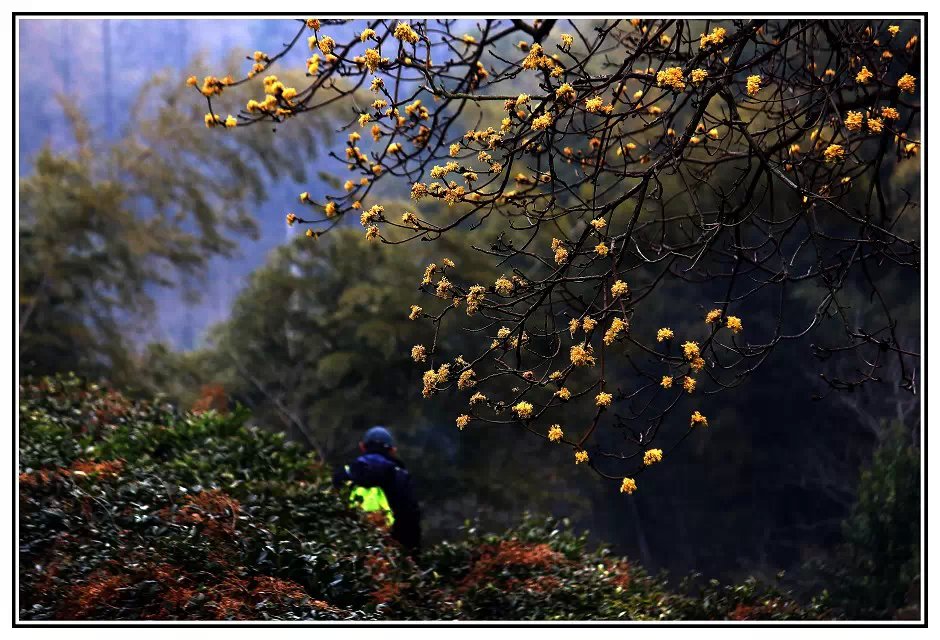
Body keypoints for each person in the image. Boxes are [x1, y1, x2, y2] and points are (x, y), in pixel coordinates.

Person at [332, 426, 421, 553]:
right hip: (390, 550)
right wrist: (412, 554)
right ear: (392, 450)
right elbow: (410, 518)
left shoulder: (344, 473)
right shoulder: (400, 476)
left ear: (362, 447)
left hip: (350, 549)